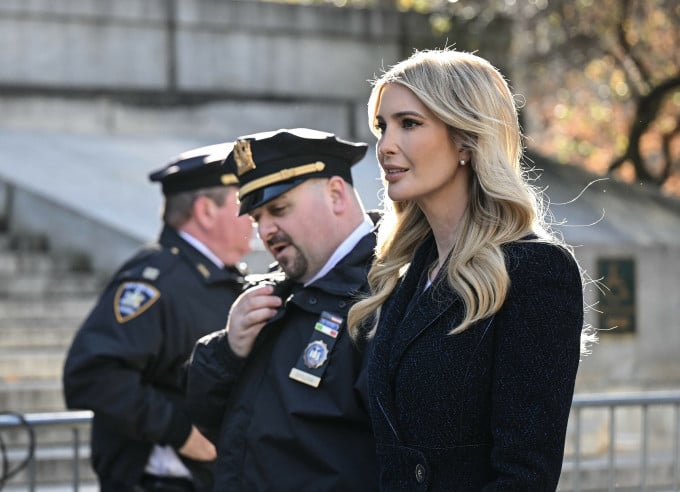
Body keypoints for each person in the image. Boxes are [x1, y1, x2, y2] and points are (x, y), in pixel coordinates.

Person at [346, 48, 597, 491]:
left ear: (467, 139)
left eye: (410, 123)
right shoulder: (406, 270)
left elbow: (525, 477)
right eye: (382, 126)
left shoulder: (536, 271)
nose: (385, 145)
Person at [186, 128, 379, 491]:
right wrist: (228, 351)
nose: (265, 231)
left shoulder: (387, 292)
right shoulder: (277, 291)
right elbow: (222, 427)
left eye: (279, 209)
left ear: (336, 194)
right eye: (257, 217)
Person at [63, 142, 254, 492]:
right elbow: (93, 374)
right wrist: (180, 433)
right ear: (205, 211)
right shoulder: (157, 280)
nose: (255, 213)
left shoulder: (218, 277)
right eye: (242, 201)